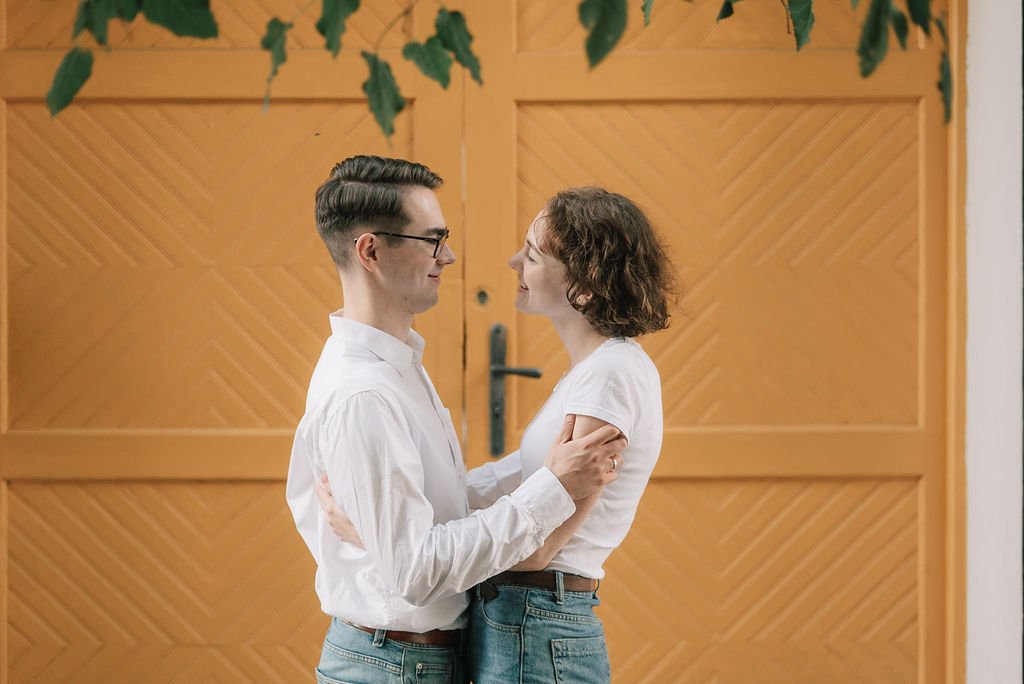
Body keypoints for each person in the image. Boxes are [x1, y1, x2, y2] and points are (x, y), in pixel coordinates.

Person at [285, 156, 627, 684]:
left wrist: (370, 534)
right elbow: (417, 572)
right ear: (371, 250)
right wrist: (553, 487)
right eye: (433, 239)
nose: (449, 255)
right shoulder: (364, 394)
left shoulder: (398, 368)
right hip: (390, 667)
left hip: (414, 661)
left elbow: (430, 515)